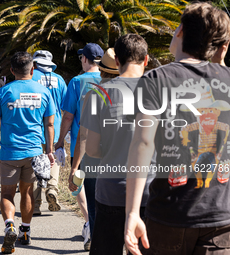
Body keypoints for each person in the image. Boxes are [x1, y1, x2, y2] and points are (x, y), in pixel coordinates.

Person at [124, 3, 230, 255]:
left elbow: (143, 143)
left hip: (170, 215)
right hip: (222, 218)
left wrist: (132, 212)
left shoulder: (156, 79)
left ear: (180, 31)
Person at [82, 39, 154, 255]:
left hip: (111, 191)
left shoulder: (98, 94)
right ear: (146, 60)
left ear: (116, 60)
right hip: (150, 192)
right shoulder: (160, 93)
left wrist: (113, 150)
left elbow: (92, 149)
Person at [0, 52, 56, 254]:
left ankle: (9, 226)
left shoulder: (3, 92)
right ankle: (25, 230)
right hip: (34, 152)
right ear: (32, 70)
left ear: (11, 70)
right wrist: (49, 150)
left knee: (7, 193)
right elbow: (49, 123)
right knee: (27, 191)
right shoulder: (43, 92)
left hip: (9, 152)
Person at [55, 43, 104, 251]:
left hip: (82, 147)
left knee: (88, 194)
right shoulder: (111, 80)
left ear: (85, 59)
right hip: (110, 147)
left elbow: (68, 116)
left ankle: (93, 232)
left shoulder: (76, 82)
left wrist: (59, 142)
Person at [32, 50, 67, 214]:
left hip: (35, 127)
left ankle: (36, 203)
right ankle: (52, 188)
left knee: (35, 163)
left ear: (35, 63)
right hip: (56, 126)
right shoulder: (59, 79)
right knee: (52, 158)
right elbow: (65, 105)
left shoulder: (31, 77)